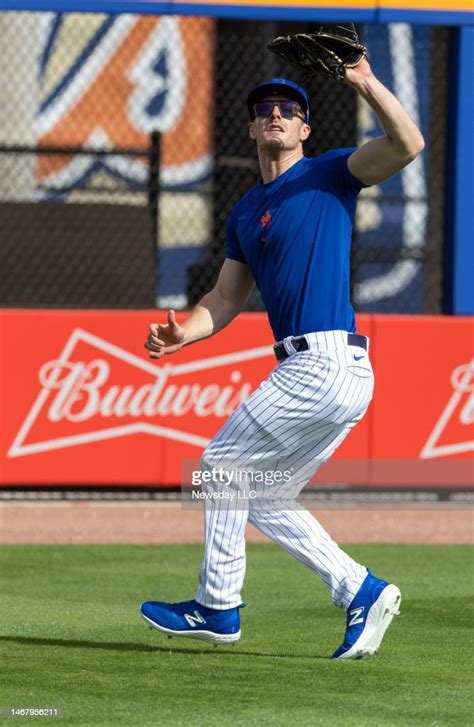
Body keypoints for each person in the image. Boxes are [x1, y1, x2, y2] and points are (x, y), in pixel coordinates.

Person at [141, 56, 424, 659]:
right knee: (261, 492)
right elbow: (223, 298)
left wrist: (365, 82)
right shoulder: (246, 212)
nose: (275, 115)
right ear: (250, 129)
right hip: (328, 371)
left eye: (289, 110)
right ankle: (360, 588)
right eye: (265, 109)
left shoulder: (329, 174)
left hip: (322, 362)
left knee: (219, 467)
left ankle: (218, 607)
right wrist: (183, 334)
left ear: (305, 130)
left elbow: (409, 142)